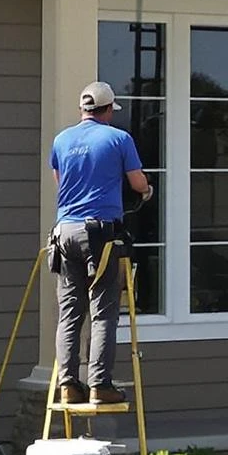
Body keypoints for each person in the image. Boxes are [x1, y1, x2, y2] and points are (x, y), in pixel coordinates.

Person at [47, 80, 153, 403]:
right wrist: (147, 191)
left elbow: (60, 181)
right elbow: (137, 182)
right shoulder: (119, 138)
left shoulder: (62, 140)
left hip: (63, 232)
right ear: (107, 110)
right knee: (104, 311)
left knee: (69, 313)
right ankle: (99, 384)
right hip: (100, 235)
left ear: (83, 110)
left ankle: (67, 384)